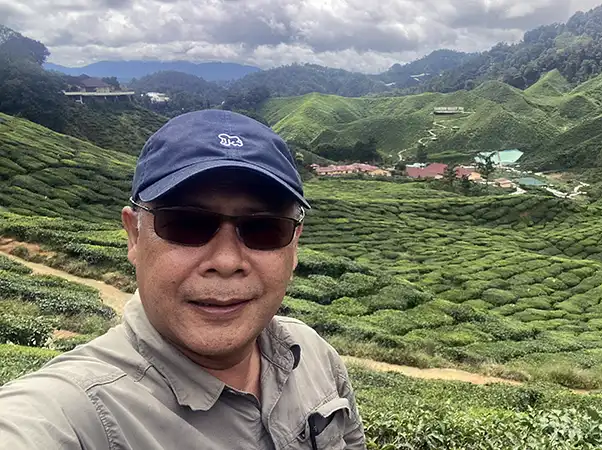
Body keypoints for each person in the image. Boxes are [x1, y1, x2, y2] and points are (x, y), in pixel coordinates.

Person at [0, 109, 366, 449]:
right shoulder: (76, 409)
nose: (226, 261)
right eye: (187, 224)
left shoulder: (313, 354)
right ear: (134, 236)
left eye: (264, 229)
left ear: (294, 246)